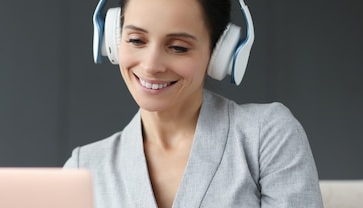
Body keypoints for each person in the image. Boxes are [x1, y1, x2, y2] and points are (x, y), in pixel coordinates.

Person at [63, 0, 324, 207]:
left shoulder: (266, 137)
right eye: (136, 40)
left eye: (178, 47)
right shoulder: (84, 167)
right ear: (112, 41)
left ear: (220, 53)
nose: (151, 65)